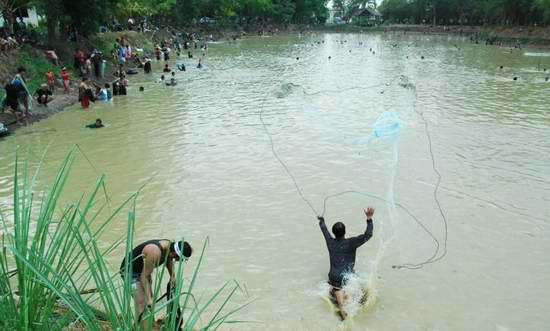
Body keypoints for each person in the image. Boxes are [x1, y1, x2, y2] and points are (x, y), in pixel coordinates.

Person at [317, 207, 375, 320]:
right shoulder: (351, 243)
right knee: (356, 289)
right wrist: (369, 219)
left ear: (334, 233)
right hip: (347, 276)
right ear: (345, 232)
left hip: (334, 276)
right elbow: (368, 235)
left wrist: (321, 221)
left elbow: (325, 231)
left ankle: (341, 306)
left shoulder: (330, 242)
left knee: (337, 288)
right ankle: (347, 303)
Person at [119, 239, 192, 325]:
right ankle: (139, 327)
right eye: (179, 259)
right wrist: (149, 298)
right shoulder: (155, 252)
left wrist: (172, 276)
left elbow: (168, 260)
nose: (177, 261)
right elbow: (144, 276)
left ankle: (149, 325)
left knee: (150, 303)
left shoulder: (168, 247)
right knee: (142, 302)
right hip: (130, 272)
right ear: (175, 254)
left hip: (144, 271)